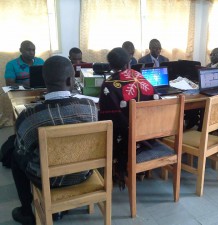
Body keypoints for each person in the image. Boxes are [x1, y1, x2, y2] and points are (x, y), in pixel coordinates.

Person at [11, 56, 98, 225]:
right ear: (70, 80)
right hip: (83, 174)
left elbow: (23, 151)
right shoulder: (90, 107)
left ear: (44, 80)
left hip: (46, 178)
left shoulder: (29, 116)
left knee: (15, 156)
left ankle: (27, 211)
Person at [98, 47, 159, 188]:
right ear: (128, 63)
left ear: (110, 66)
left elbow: (108, 118)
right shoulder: (139, 76)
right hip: (148, 135)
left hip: (125, 138)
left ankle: (117, 169)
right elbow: (156, 99)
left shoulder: (108, 84)